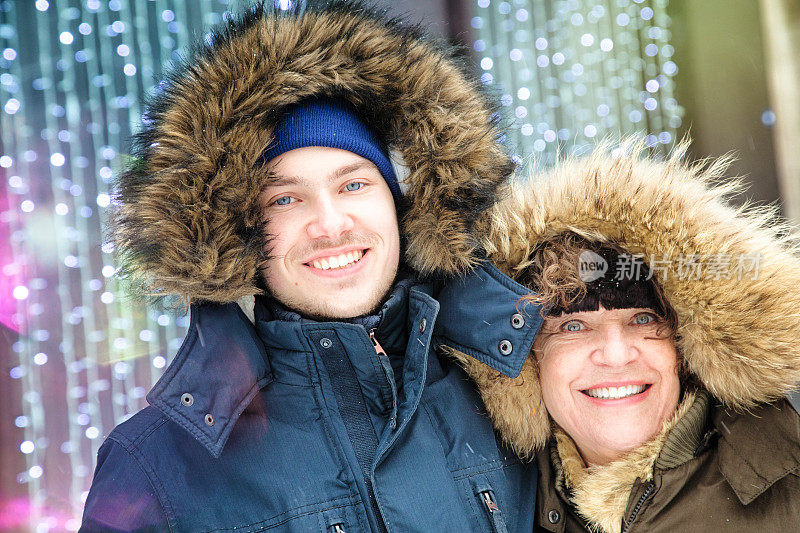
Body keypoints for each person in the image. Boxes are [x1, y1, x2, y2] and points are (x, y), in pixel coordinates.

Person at [79, 2, 541, 532]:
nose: (329, 223)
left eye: (354, 184)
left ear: (403, 203)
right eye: (285, 200)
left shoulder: (515, 387)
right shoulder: (156, 467)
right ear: (237, 234)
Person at [441, 144, 800, 532]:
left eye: (643, 319)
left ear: (686, 348)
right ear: (530, 360)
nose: (614, 356)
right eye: (573, 326)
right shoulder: (491, 504)